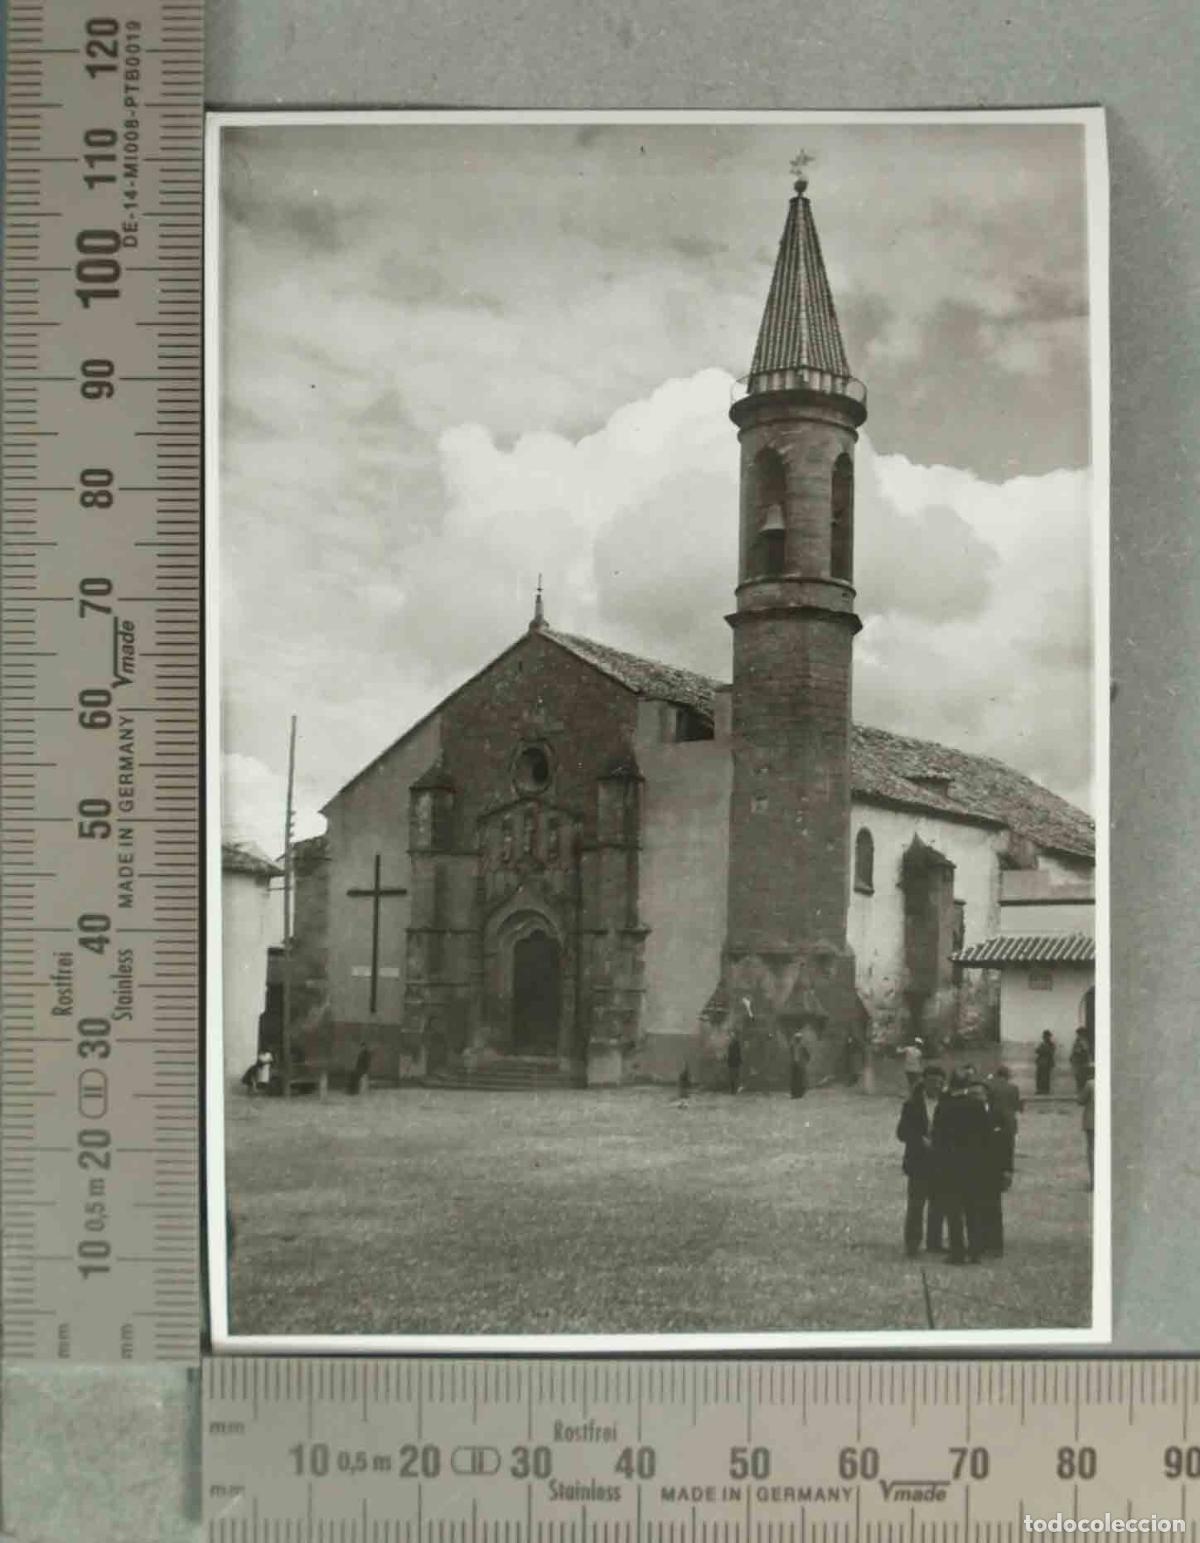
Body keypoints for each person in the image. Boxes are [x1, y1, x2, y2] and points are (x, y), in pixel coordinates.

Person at [932, 1070, 992, 1264]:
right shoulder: (977, 1106)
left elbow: (937, 1138)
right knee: (973, 1209)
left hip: (951, 1165)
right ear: (966, 1086)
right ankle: (975, 1250)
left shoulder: (944, 1107)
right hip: (973, 1164)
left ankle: (957, 1252)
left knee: (953, 1211)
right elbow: (986, 1136)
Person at [896, 1063, 946, 1258]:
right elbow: (901, 1132)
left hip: (941, 1161)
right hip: (918, 1161)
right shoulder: (911, 1105)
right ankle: (912, 1244)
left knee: (938, 1204)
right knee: (916, 1205)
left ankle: (935, 1242)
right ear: (924, 1082)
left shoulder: (947, 1103)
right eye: (932, 1082)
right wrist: (919, 1140)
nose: (936, 1086)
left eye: (940, 1082)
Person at [977, 1079, 1015, 1256]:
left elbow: (1007, 1143)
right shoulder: (963, 1113)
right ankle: (978, 1243)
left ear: (986, 1097)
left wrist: (1007, 1169)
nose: (976, 1098)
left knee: (993, 1207)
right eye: (972, 1095)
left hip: (992, 1167)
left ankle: (994, 1245)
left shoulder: (997, 1114)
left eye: (979, 1094)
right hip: (971, 1167)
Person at [987, 1064, 1022, 1156]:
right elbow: (1016, 1105)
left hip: (994, 1115)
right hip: (1009, 1117)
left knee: (994, 1140)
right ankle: (1008, 1164)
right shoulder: (1014, 1088)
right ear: (1008, 1076)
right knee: (1009, 1142)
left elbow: (989, 1102)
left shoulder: (991, 1087)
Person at [1079, 1063, 1095, 1190]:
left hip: (1091, 1121)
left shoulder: (1090, 1084)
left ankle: (1093, 1180)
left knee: (1091, 1150)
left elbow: (1081, 1100)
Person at [1069, 1027, 1091, 1094]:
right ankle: (1080, 1091)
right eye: (1078, 1033)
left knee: (1081, 1077)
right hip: (1077, 1062)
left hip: (1081, 1062)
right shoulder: (1078, 1041)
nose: (1078, 1035)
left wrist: (1077, 1052)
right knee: (1078, 1077)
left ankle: (1082, 1092)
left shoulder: (1083, 1041)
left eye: (1079, 1033)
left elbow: (1083, 1051)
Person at [1034, 1030, 1056, 1095]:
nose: (1044, 1038)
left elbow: (1049, 1052)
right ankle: (1039, 1090)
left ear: (1048, 1037)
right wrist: (1042, 1050)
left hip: (1047, 1063)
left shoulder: (1051, 1044)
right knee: (1039, 1076)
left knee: (1046, 1077)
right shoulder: (1042, 1044)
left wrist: (1042, 1050)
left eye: (1046, 1036)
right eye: (1044, 1036)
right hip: (1041, 1062)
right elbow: (1037, 1050)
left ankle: (1045, 1090)